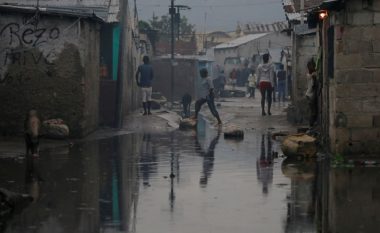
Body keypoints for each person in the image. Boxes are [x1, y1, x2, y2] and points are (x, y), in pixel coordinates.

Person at [305, 59, 318, 127]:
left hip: (309, 95)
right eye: (311, 66)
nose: (313, 67)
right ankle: (311, 126)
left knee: (313, 112)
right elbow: (313, 85)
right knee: (313, 113)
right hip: (310, 96)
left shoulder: (310, 75)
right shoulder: (311, 75)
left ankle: (312, 126)